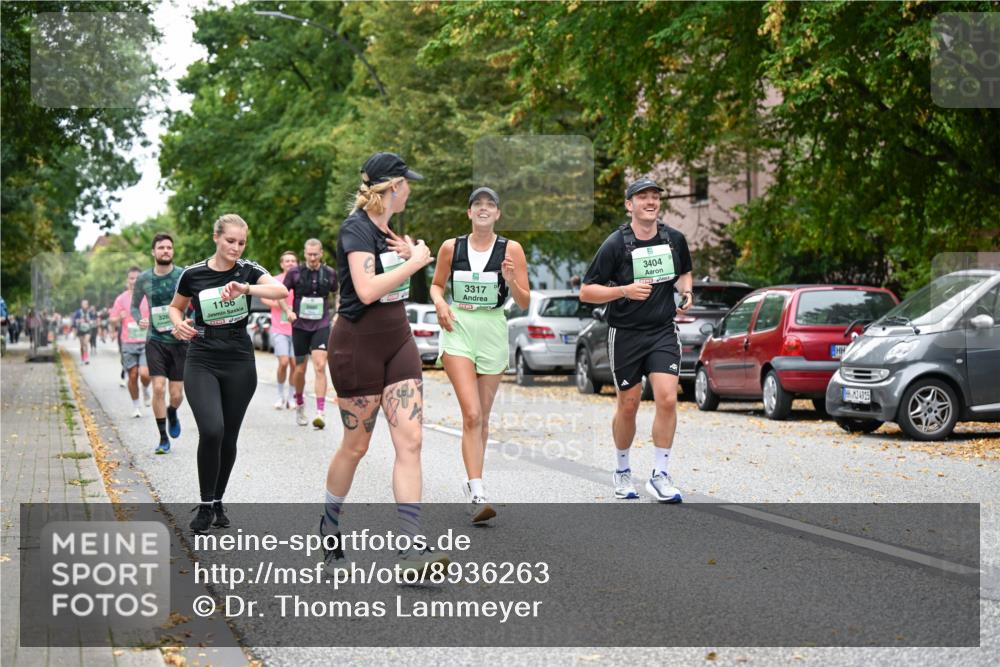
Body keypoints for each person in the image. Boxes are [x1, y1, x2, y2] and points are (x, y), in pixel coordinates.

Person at [321, 151, 441, 571]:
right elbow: (367, 289)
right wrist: (414, 261)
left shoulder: (390, 230)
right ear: (393, 187)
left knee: (410, 441)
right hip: (356, 346)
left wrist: (411, 255)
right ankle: (330, 522)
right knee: (356, 446)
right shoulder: (354, 229)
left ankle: (412, 546)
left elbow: (397, 282)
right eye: (406, 182)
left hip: (398, 341)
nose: (410, 188)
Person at [169, 214, 287, 534]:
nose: (235, 247)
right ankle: (206, 504)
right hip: (202, 355)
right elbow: (175, 306)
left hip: (238, 357)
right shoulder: (193, 274)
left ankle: (216, 501)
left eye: (241, 242)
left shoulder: (248, 270)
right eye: (230, 241)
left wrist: (246, 288)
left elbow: (280, 292)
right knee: (212, 430)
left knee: (228, 436)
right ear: (216, 238)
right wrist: (177, 322)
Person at [579, 177, 694, 503]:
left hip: (661, 330)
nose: (650, 201)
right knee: (628, 405)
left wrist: (687, 291)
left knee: (668, 399)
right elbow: (587, 291)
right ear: (629, 205)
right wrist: (624, 291)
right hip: (625, 334)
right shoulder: (616, 243)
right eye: (642, 196)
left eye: (655, 196)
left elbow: (685, 271)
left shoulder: (674, 240)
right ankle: (622, 469)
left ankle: (660, 474)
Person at [430, 187, 530, 523]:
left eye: (491, 205)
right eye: (478, 205)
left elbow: (525, 300)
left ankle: (472, 480)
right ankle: (477, 489)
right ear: (470, 213)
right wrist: (441, 304)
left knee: (482, 419)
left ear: (498, 214)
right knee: (471, 414)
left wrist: (511, 280)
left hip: (492, 330)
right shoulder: (451, 247)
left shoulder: (511, 249)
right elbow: (436, 285)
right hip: (459, 327)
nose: (484, 209)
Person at [133, 233, 188, 455]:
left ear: (172, 251)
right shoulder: (144, 278)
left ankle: (172, 411)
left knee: (176, 395)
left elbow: (192, 303)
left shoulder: (182, 275)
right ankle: (163, 438)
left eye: (169, 248)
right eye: (161, 248)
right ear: (153, 252)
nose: (166, 251)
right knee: (158, 387)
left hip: (178, 340)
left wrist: (186, 322)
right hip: (155, 340)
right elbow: (134, 306)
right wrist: (140, 318)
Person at [282, 240, 338, 428]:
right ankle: (299, 405)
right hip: (299, 326)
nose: (313, 258)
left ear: (321, 253)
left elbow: (338, 292)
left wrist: (338, 312)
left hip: (321, 324)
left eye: (316, 254)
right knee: (299, 369)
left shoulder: (329, 273)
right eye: (309, 254)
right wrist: (287, 311)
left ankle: (320, 413)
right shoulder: (294, 273)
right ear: (304, 253)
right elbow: (280, 293)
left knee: (320, 366)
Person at [109, 268, 152, 416]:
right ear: (127, 280)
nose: (134, 281)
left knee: (145, 374)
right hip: (128, 342)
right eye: (131, 278)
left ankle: (146, 388)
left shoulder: (148, 298)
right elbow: (112, 320)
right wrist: (119, 318)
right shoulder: (121, 299)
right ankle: (136, 406)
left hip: (146, 341)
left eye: (137, 278)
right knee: (132, 375)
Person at [261, 250, 298, 410]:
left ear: (297, 263)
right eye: (287, 261)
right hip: (279, 328)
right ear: (282, 264)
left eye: (293, 261)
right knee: (283, 363)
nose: (290, 263)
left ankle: (291, 396)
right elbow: (263, 297)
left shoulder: (300, 279)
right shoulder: (275, 280)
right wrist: (281, 306)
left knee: (295, 364)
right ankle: (280, 395)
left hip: (297, 329)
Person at [71, 299, 96, 364]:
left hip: (88, 329)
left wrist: (90, 321)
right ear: (81, 305)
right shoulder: (78, 312)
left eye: (86, 304)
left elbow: (94, 320)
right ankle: (82, 358)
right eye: (83, 304)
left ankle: (86, 358)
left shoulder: (90, 312)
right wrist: (79, 321)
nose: (85, 305)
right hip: (80, 330)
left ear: (88, 305)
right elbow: (74, 321)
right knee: (82, 345)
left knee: (86, 343)